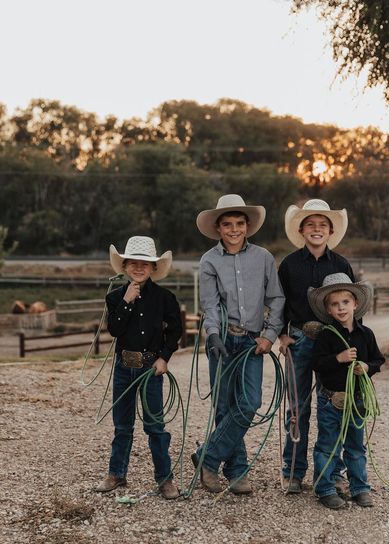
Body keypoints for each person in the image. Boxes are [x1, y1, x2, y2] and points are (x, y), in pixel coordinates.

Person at [193, 194, 285, 495]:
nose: (234, 229)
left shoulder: (263, 258)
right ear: (219, 228)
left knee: (249, 402)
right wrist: (213, 334)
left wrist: (269, 335)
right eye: (227, 224)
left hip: (251, 341)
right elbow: (209, 304)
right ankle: (237, 469)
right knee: (224, 406)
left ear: (247, 226)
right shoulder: (209, 261)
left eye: (239, 223)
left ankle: (208, 456)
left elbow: (276, 299)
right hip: (222, 337)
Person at [95, 236, 182, 499]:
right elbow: (115, 330)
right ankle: (116, 473)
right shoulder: (115, 298)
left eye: (145, 264)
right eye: (133, 263)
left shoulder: (165, 298)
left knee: (155, 425)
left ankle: (164, 478)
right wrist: (127, 302)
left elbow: (175, 331)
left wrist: (164, 357)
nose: (139, 268)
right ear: (124, 266)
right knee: (122, 425)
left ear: (154, 267)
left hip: (149, 368)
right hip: (124, 366)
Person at [278, 199, 354, 494]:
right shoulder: (289, 264)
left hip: (331, 342)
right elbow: (279, 301)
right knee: (297, 407)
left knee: (332, 404)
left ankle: (332, 472)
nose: (317, 229)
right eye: (310, 224)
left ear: (331, 230)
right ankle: (293, 471)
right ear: (301, 229)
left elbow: (351, 307)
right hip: (298, 339)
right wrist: (282, 336)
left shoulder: (341, 265)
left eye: (322, 225)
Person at [308, 272, 385, 509]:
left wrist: (367, 366)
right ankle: (325, 488)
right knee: (328, 445)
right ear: (328, 310)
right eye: (334, 304)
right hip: (331, 399)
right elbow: (317, 364)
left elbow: (378, 360)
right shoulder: (325, 336)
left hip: (357, 400)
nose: (341, 308)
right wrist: (339, 358)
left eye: (345, 302)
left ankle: (360, 487)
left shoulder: (366, 335)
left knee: (355, 445)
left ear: (355, 304)